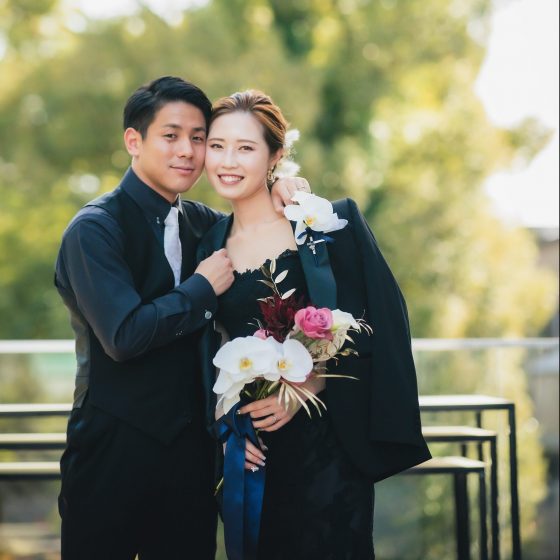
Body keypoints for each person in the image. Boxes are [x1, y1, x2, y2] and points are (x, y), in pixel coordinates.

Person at [55, 76, 308, 560]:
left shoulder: (203, 224)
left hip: (192, 460)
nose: (188, 151)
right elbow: (123, 335)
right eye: (171, 136)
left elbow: (254, 224)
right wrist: (200, 288)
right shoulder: (94, 230)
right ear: (134, 140)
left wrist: (283, 185)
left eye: (198, 138)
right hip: (110, 454)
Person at [197, 90, 432, 560]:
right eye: (217, 145)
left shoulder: (324, 224)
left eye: (245, 147)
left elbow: (380, 320)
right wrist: (226, 435)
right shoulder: (205, 243)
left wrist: (311, 383)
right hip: (254, 453)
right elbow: (202, 352)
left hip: (328, 449)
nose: (227, 160)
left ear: (275, 156)